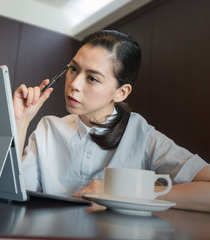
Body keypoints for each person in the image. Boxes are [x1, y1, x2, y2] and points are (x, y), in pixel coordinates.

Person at [13, 30, 210, 212]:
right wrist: (21, 121)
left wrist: (125, 191)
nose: (74, 84)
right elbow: (13, 192)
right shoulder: (48, 128)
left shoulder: (142, 136)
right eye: (73, 69)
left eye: (92, 78)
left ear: (121, 92)